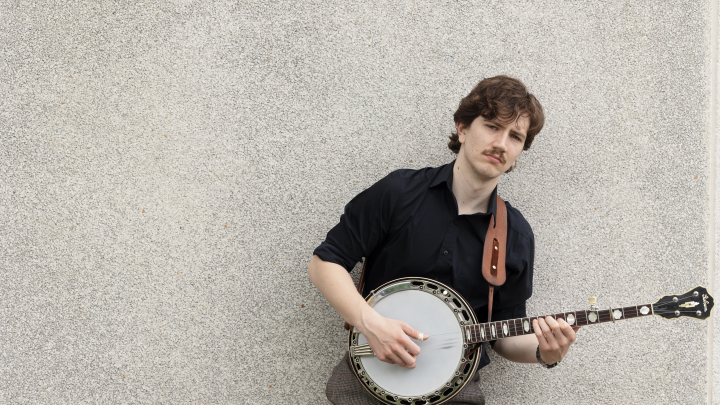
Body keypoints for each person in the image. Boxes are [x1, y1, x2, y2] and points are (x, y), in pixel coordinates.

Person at [308, 75, 579, 404]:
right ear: (462, 128)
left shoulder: (516, 234)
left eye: (515, 136)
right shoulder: (399, 193)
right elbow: (324, 263)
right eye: (492, 126)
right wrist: (370, 324)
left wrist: (545, 353)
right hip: (368, 383)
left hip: (456, 393)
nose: (501, 143)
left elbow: (504, 334)